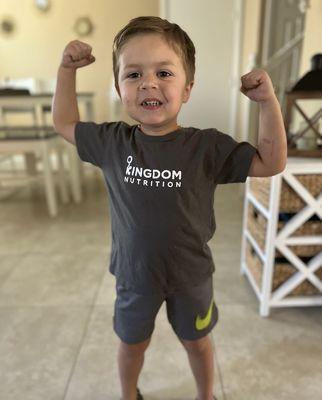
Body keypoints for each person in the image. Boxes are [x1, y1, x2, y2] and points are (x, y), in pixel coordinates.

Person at [52, 15, 287, 400]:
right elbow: (65, 123)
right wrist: (66, 72)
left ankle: (205, 394)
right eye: (133, 75)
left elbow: (272, 162)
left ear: (188, 88)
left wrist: (267, 103)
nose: (148, 83)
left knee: (198, 343)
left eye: (164, 72)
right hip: (135, 277)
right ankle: (129, 394)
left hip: (191, 276)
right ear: (118, 88)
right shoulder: (113, 143)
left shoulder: (206, 148)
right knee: (132, 345)